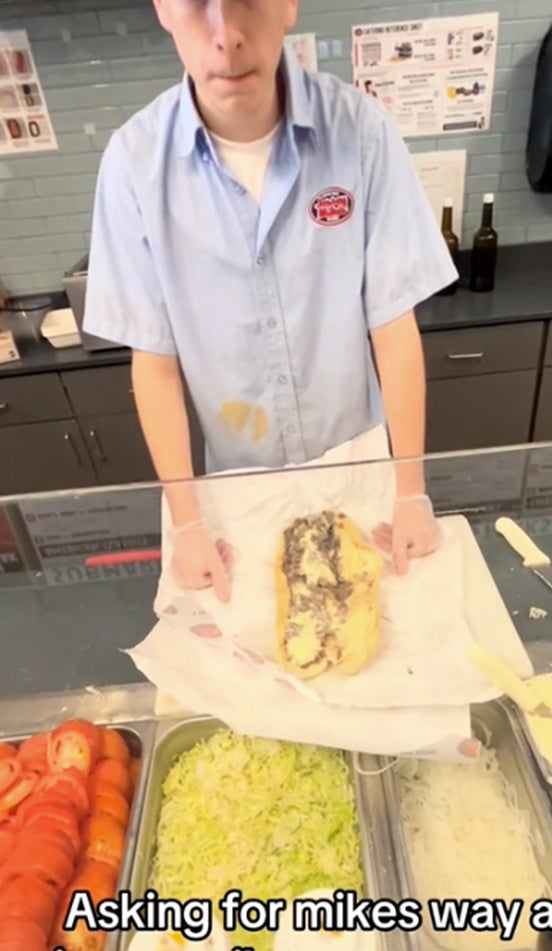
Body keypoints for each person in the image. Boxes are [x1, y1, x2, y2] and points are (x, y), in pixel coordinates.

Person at [86, 0, 459, 601]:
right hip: (237, 492)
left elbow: (393, 326)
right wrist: (187, 521)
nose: (226, 35)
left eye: (246, 0)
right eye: (198, 4)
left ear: (288, 4)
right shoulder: (133, 165)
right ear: (163, 8)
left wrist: (409, 488)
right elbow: (154, 365)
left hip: (361, 470)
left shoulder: (361, 131)